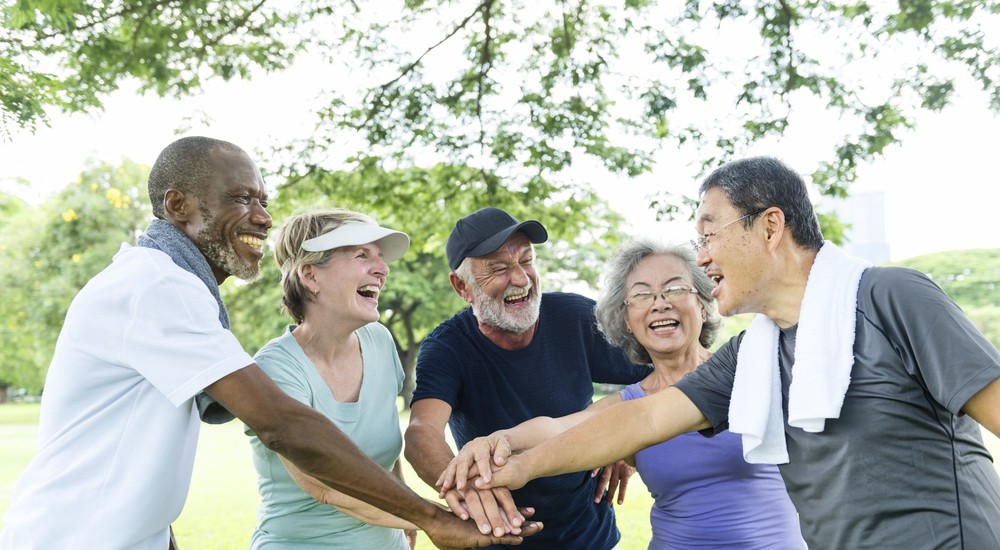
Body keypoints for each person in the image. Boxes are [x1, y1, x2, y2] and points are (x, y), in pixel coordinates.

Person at [0, 136, 539, 550]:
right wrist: (430, 517)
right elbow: (283, 425)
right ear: (178, 205)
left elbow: (136, 446)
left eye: (263, 199)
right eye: (241, 198)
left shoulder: (176, 290)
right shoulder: (156, 285)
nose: (262, 215)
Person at [458, 156, 1000, 549]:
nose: (703, 256)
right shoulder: (756, 355)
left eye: (708, 233)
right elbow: (641, 417)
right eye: (641, 295)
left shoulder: (890, 297)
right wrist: (514, 465)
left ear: (769, 226)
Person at [443, 239, 806, 548]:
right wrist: (496, 440)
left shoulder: (753, 369)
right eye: (642, 295)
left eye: (675, 289)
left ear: (702, 301)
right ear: (627, 320)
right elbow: (557, 428)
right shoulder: (629, 407)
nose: (659, 302)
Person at [404, 207, 652, 549]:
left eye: (526, 260)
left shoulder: (576, 318)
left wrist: (626, 440)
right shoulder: (447, 347)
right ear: (462, 287)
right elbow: (422, 431)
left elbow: (671, 371)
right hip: (500, 536)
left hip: (589, 536)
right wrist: (466, 489)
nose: (521, 279)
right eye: (499, 269)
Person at [246, 208, 416, 548]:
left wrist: (405, 523)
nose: (382, 270)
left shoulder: (379, 341)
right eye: (361, 255)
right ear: (310, 275)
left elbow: (382, 450)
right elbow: (323, 486)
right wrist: (431, 518)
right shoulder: (276, 368)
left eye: (380, 258)